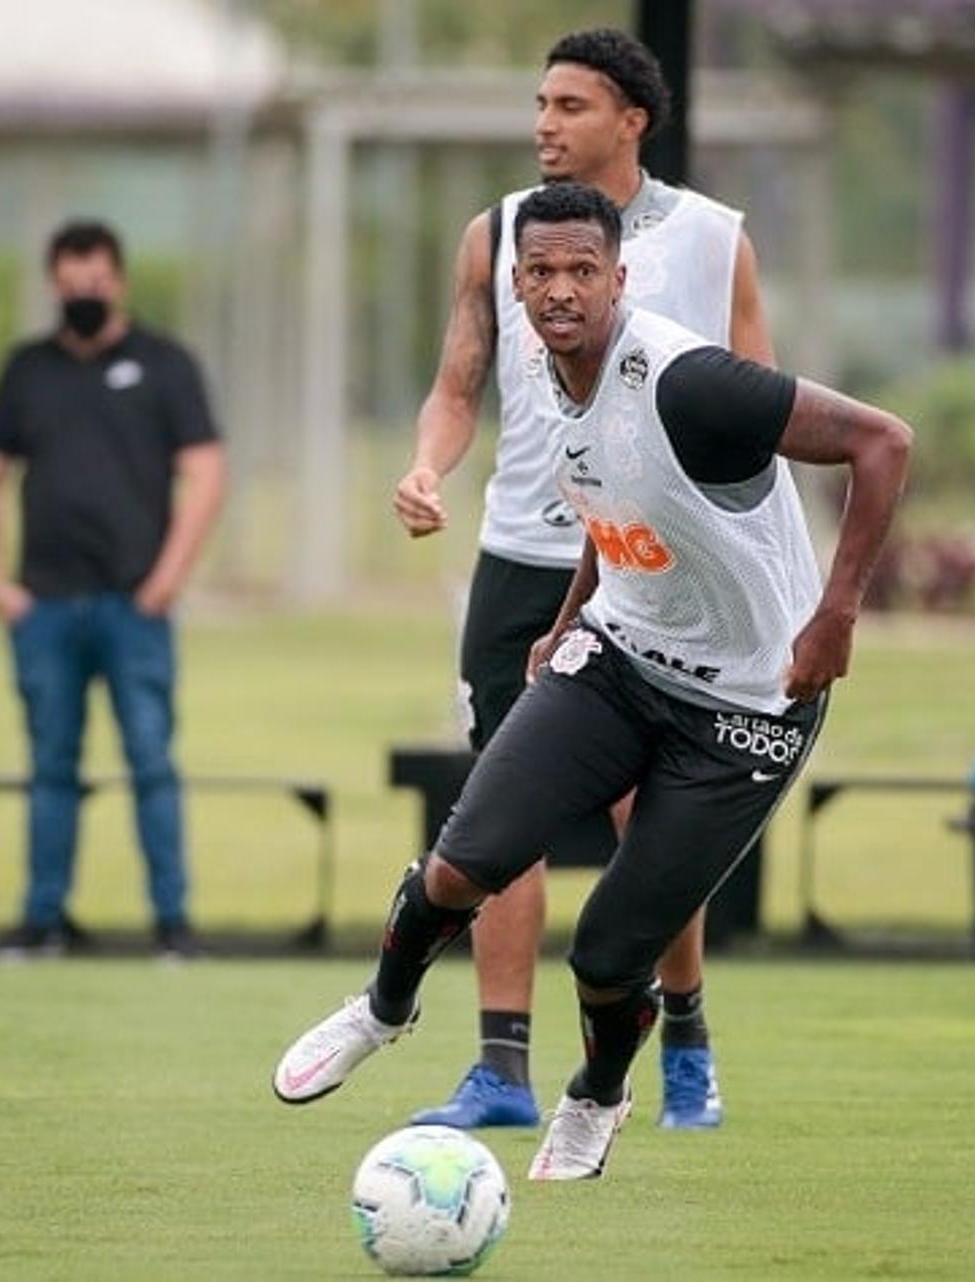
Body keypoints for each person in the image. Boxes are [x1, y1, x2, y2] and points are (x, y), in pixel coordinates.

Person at [275, 182, 913, 1182]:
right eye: (541, 272)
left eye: (583, 271)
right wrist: (572, 617)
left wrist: (836, 614)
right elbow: (607, 492)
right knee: (464, 856)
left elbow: (886, 441)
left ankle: (600, 1093)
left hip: (749, 702)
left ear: (620, 278)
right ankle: (384, 1007)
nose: (560, 289)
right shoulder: (538, 362)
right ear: (516, 282)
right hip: (620, 657)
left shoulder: (688, 378)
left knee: (611, 952)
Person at [392, 26, 775, 1132]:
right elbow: (458, 386)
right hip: (522, 560)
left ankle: (684, 1030)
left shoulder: (711, 240)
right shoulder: (498, 233)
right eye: (540, 103)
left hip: (659, 572)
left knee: (645, 823)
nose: (545, 124)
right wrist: (426, 467)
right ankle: (501, 1070)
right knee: (497, 814)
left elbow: (759, 406)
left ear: (632, 119)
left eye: (569, 104)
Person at [0, 220, 226, 960]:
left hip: (133, 607)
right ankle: (42, 919)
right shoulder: (27, 370)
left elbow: (207, 473)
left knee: (151, 759)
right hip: (43, 604)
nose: (85, 290)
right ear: (54, 282)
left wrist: (168, 578)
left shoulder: (164, 364)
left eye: (98, 278)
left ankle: (172, 924)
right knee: (51, 765)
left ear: (119, 280)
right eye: (72, 279)